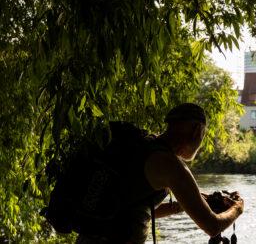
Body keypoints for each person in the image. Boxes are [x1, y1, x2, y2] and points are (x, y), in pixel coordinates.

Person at [76, 103, 244, 244]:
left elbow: (137, 209)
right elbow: (212, 226)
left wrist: (185, 205)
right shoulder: (171, 165)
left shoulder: (144, 146)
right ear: (197, 131)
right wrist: (238, 208)